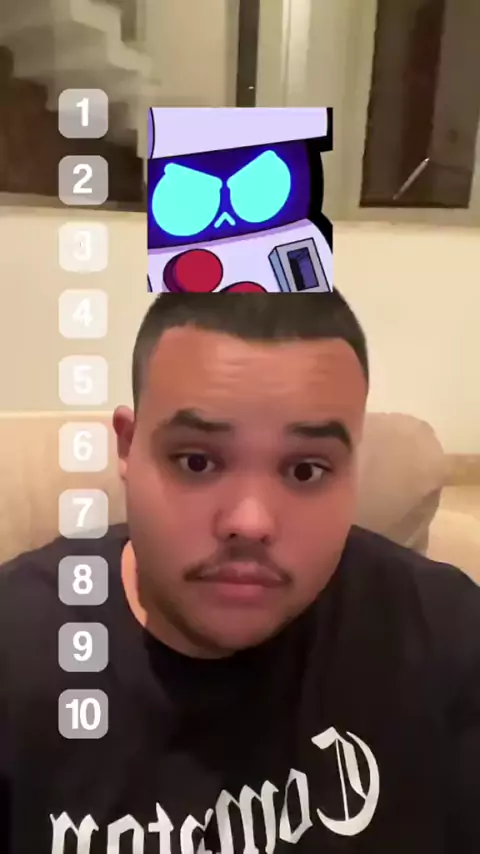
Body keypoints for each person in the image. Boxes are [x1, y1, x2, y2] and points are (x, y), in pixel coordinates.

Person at [0, 293, 478, 854]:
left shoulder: (446, 635)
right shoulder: (17, 652)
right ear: (128, 448)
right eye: (197, 461)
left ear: (352, 469)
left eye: (306, 470)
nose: (249, 522)